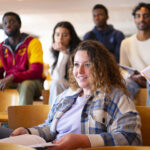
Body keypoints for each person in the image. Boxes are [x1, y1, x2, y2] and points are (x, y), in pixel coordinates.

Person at [0, 40, 141, 149]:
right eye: (76, 64)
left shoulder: (116, 96)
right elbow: (50, 128)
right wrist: (28, 132)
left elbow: (131, 137)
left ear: (102, 68)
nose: (79, 71)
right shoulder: (65, 96)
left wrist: (84, 141)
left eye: (87, 65)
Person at [0, 12, 44, 105]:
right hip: (11, 82)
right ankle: (4, 119)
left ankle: (22, 119)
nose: (8, 25)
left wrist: (12, 77)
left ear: (19, 25)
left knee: (26, 84)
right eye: (5, 23)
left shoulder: (33, 42)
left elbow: (36, 71)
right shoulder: (1, 47)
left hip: (33, 83)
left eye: (12, 22)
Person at [119, 2, 150, 102]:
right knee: (124, 85)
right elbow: (122, 69)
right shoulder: (126, 43)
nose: (141, 19)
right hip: (134, 81)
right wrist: (132, 77)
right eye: (138, 16)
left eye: (146, 16)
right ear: (134, 19)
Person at [48, 21, 81, 105]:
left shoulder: (79, 50)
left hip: (77, 85)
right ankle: (53, 113)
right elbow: (57, 77)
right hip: (62, 86)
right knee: (56, 83)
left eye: (65, 35)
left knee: (57, 84)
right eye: (57, 34)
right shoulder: (52, 52)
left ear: (71, 37)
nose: (60, 38)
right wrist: (62, 53)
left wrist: (64, 52)